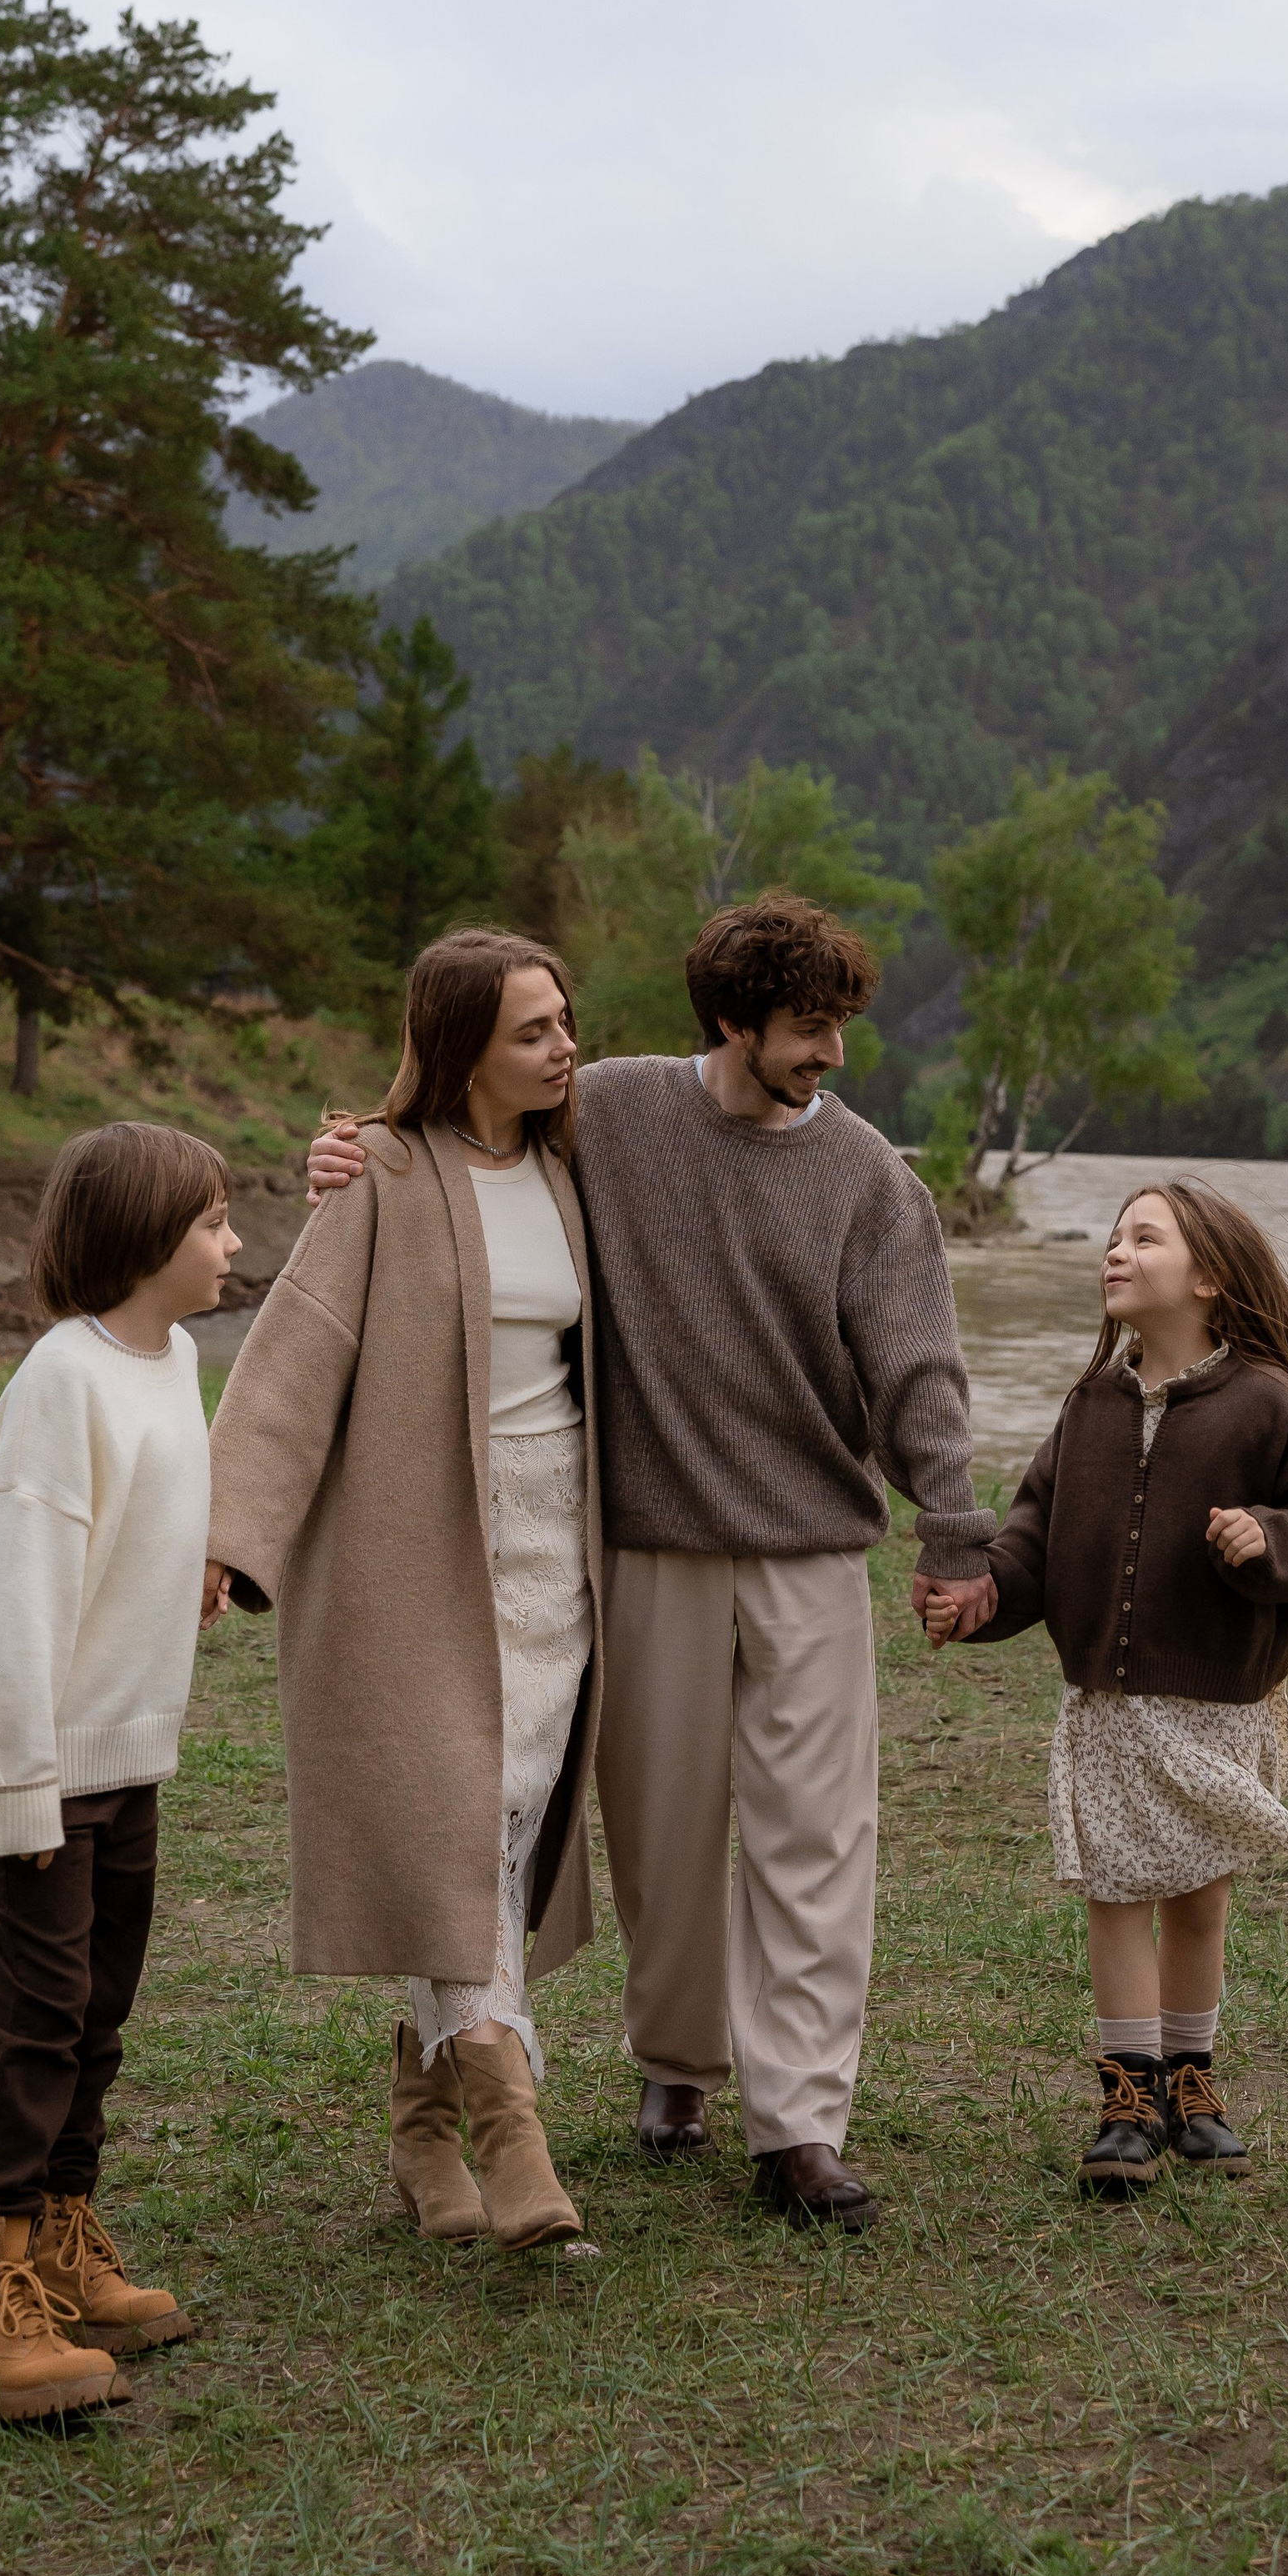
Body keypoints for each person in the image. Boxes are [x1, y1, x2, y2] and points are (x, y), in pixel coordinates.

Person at [309, 894, 997, 2230]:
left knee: (817, 1842)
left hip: (811, 1552)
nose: (832, 1057)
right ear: (733, 1022)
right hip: (644, 1545)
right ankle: (678, 2068)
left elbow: (921, 1371)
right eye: (808, 1030)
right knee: (665, 1838)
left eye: (840, 1030)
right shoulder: (610, 1111)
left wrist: (956, 1531)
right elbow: (463, 1147)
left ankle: (799, 2124)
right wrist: (348, 1156)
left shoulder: (871, 1180)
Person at [203, 930, 602, 2253]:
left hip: (559, 1537)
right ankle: (508, 2127)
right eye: (533, 1031)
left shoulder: (574, 1159)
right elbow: (292, 1358)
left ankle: (420, 2130)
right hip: (418, 1543)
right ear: (461, 1047)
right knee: (454, 1807)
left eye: (563, 1021)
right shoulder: (380, 1170)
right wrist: (231, 1537)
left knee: (502, 1819)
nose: (562, 1045)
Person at [920, 1177, 1288, 2197]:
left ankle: (1193, 2085)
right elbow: (1032, 1544)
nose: (1118, 1252)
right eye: (1113, 1237)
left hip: (1214, 1701)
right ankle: (1125, 2099)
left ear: (1210, 1277)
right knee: (1114, 1896)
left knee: (1196, 1900)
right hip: (1106, 1704)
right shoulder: (1089, 1406)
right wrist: (981, 1599)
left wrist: (1265, 1539)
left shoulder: (1266, 1402)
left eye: (1146, 1238)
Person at [0, 1122, 236, 2422]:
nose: (232, 1243)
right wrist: (22, 1792)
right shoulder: (60, 1378)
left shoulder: (174, 1360)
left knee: (95, 2016)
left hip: (129, 1754)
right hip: (43, 1774)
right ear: (144, 1237)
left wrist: (192, 1572)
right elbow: (17, 1600)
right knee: (33, 2024)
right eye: (213, 1222)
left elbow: (144, 1521)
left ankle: (58, 2245)